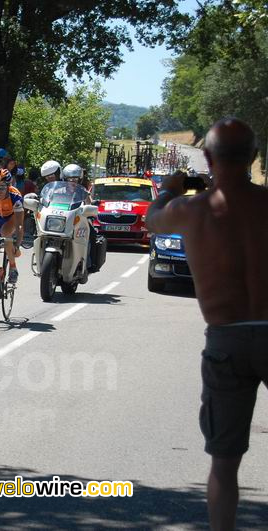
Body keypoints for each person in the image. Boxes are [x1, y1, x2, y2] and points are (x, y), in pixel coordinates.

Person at [146, 118, 268, 531]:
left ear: (210, 158)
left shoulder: (192, 209)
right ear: (252, 158)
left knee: (225, 463)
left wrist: (169, 187)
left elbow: (153, 219)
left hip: (226, 338)